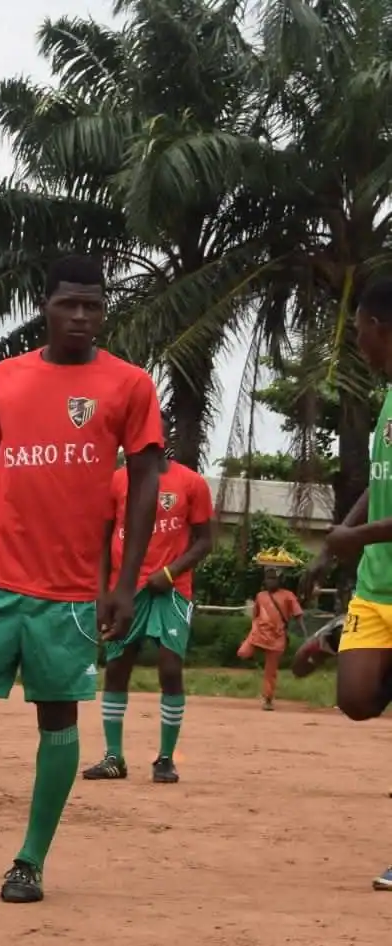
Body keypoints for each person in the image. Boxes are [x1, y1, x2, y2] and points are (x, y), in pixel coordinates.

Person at [0, 254, 164, 904]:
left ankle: (29, 861)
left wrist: (125, 580)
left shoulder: (129, 385)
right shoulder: (7, 377)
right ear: (45, 304)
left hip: (68, 589)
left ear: (104, 310)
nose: (82, 316)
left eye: (94, 305)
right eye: (70, 304)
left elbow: (145, 479)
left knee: (57, 717)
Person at [297, 276, 392, 888]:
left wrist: (355, 540)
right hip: (379, 589)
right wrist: (342, 534)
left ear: (383, 327)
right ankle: (347, 637)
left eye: (359, 327)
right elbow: (377, 482)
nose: (355, 339)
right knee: (355, 700)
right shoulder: (388, 400)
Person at [83, 448, 214, 783]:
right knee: (116, 667)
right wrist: (101, 595)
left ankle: (166, 758)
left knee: (170, 670)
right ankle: (114, 757)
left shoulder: (191, 483)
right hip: (124, 590)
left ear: (162, 441)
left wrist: (169, 573)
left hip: (171, 590)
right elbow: (101, 541)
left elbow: (204, 542)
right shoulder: (116, 481)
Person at [237, 564, 305, 710]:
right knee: (242, 653)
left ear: (280, 580)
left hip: (277, 638)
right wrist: (252, 631)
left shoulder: (288, 596)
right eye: (268, 578)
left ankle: (268, 699)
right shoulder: (260, 596)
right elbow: (255, 615)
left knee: (270, 671)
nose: (270, 582)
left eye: (273, 578)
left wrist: (306, 635)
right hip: (258, 635)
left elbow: (298, 615)